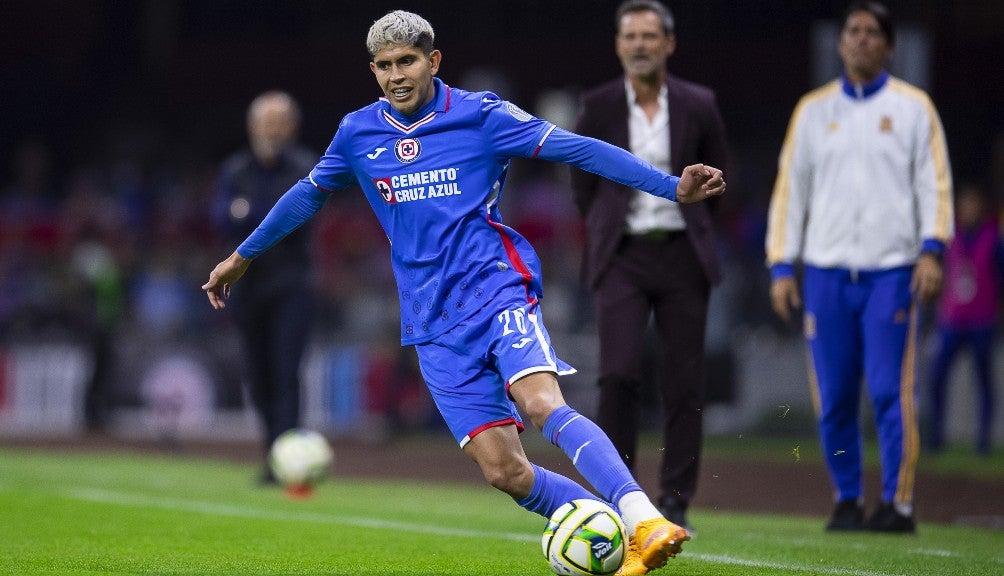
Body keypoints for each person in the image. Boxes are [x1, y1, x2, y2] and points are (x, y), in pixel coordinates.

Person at [202, 10, 724, 575]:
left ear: (434, 61)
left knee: (543, 403)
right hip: (430, 318)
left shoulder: (482, 116)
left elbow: (578, 149)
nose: (396, 75)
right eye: (384, 66)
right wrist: (241, 257)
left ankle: (644, 517)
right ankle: (610, 529)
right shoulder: (358, 133)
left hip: (496, 287)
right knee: (505, 471)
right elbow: (306, 196)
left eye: (407, 61)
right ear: (373, 70)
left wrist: (670, 187)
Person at [765, 1, 953, 533]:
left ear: (888, 45)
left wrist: (932, 250)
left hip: (891, 273)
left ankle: (898, 503)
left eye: (873, 33)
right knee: (834, 399)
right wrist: (782, 265)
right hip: (824, 274)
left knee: (891, 392)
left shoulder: (915, 108)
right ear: (841, 42)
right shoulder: (812, 110)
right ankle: (847, 498)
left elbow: (933, 184)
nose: (862, 39)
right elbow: (789, 192)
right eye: (854, 31)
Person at [570, 0, 729, 533]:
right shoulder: (596, 105)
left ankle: (677, 498)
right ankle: (622, 496)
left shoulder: (699, 103)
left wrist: (702, 226)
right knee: (617, 375)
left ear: (669, 44)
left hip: (684, 255)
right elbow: (582, 185)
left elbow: (718, 181)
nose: (639, 45)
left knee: (685, 384)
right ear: (618, 45)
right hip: (623, 257)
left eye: (649, 36)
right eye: (630, 36)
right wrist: (608, 231)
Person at [211, 91, 319, 484]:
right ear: (252, 126)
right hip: (248, 288)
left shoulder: (307, 167)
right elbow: (221, 220)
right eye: (265, 122)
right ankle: (273, 450)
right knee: (258, 375)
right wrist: (271, 216)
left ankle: (285, 461)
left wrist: (250, 215)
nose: (271, 130)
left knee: (286, 371)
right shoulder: (234, 169)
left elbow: (297, 220)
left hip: (292, 286)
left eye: (279, 122)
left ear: (291, 127)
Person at [927, 182, 1001, 456]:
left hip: (982, 319)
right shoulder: (949, 237)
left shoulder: (993, 238)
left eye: (973, 204)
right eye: (964, 204)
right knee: (937, 376)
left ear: (980, 207)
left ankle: (983, 442)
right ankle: (936, 437)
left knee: (983, 381)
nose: (968, 209)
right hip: (952, 319)